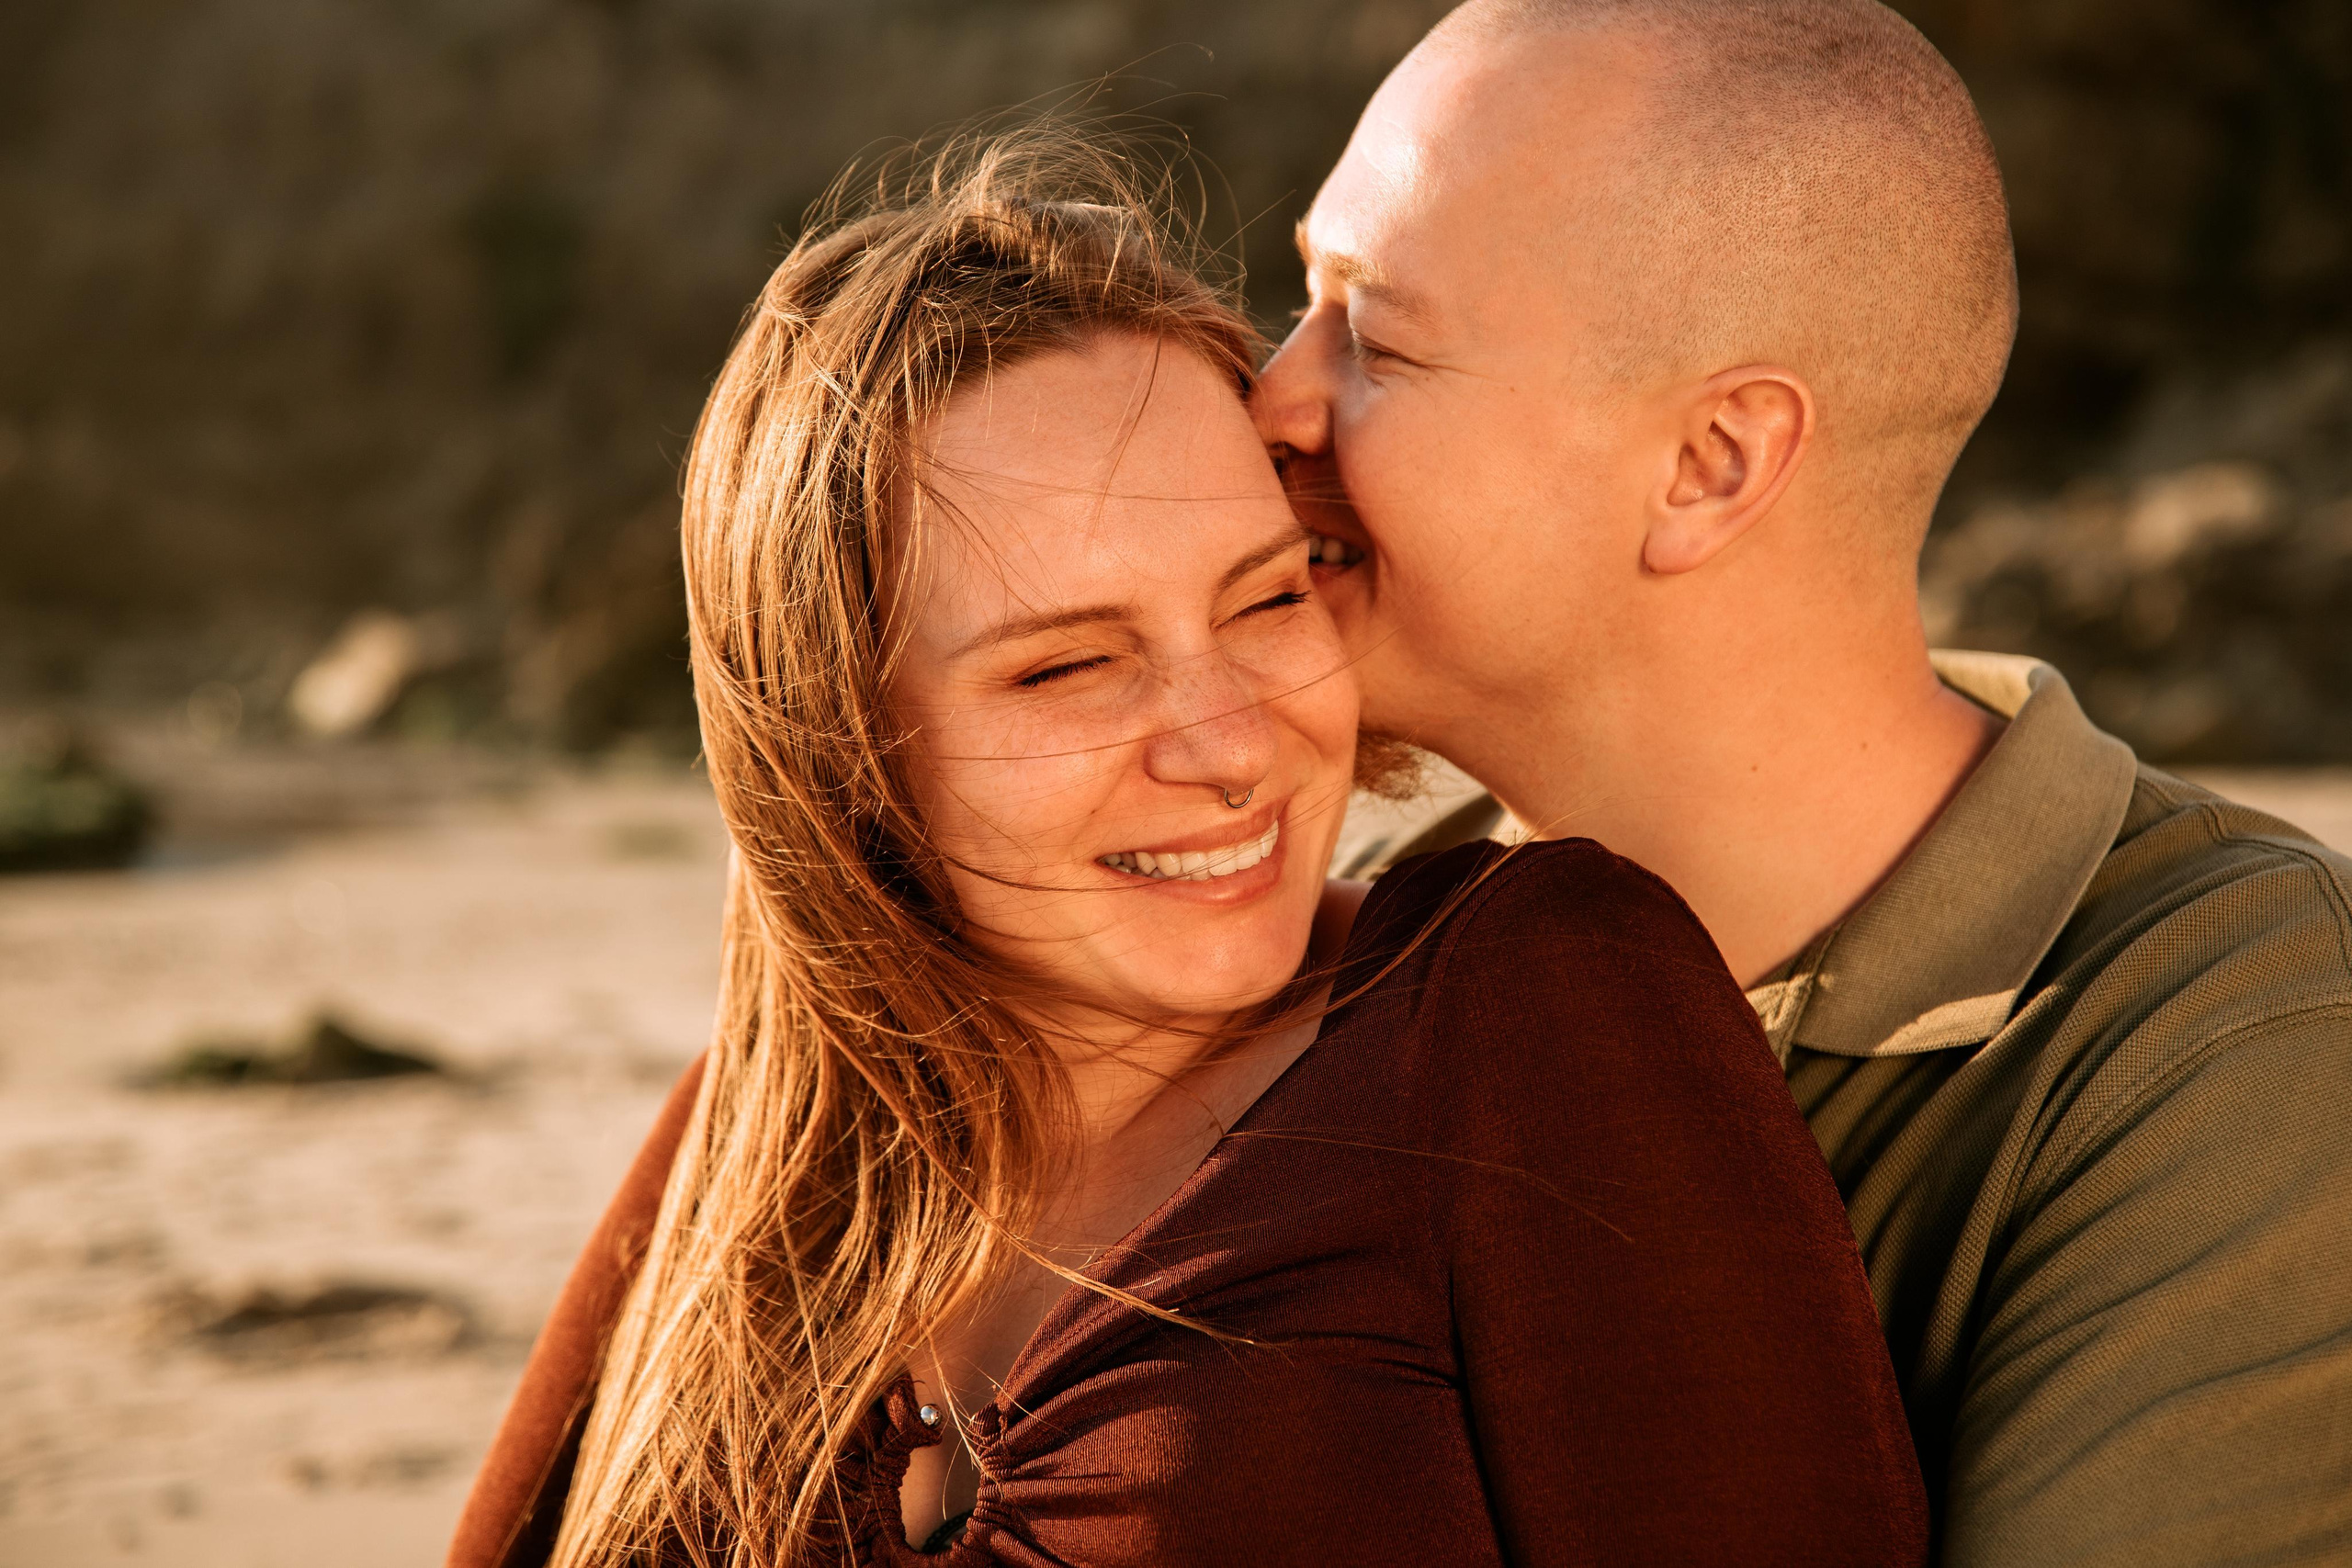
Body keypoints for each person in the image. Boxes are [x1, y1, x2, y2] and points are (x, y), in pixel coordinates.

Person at [446, 129, 1928, 1567]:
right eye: (1067, 666)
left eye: (1269, 599)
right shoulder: (772, 1131)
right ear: (835, 747)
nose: (1230, 746)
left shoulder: (1527, 1014)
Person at [1250, 1, 2352, 1562]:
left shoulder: (2231, 1043)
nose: (1269, 402)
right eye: (1303, 302)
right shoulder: (1332, 939)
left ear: (1711, 463)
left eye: (1376, 339)